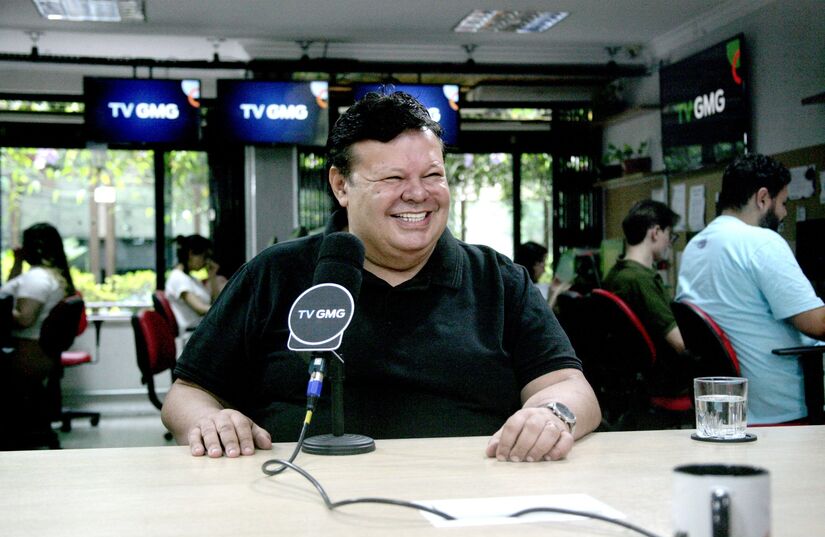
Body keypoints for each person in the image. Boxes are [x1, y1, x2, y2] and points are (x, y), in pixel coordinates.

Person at [161, 92, 600, 461]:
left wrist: (552, 414)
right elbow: (187, 393)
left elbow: (569, 387)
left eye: (433, 176)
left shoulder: (499, 280)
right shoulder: (274, 273)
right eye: (393, 178)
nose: (418, 194)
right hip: (296, 503)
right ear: (341, 185)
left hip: (467, 504)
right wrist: (211, 421)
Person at [677, 153, 825, 424]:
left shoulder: (694, 247)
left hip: (724, 410)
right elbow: (816, 323)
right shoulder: (761, 242)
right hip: (778, 408)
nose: (784, 213)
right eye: (783, 203)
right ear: (762, 198)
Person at [603, 199, 690, 396]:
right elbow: (680, 343)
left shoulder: (616, 273)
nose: (669, 242)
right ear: (656, 232)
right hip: (664, 380)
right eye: (670, 235)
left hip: (635, 380)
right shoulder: (641, 281)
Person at [0, 223, 75, 447]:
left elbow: (24, 319)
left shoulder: (37, 279)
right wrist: (18, 262)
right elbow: (11, 287)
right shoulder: (50, 276)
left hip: (24, 354)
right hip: (39, 355)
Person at [164, 235, 224, 332]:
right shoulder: (178, 278)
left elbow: (214, 302)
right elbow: (200, 309)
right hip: (193, 335)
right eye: (205, 256)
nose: (207, 261)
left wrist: (212, 276)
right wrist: (225, 309)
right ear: (191, 254)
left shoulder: (192, 279)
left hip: (202, 331)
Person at [514, 241, 572, 309]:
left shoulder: (523, 286)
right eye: (543, 262)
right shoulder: (524, 292)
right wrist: (554, 294)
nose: (544, 269)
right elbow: (541, 318)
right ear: (535, 264)